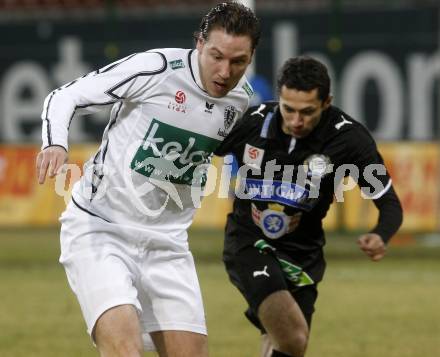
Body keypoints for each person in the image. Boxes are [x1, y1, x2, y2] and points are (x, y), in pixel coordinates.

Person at [35, 2, 260, 356]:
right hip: (101, 228)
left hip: (167, 244)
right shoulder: (156, 68)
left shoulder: (240, 98)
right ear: (199, 43)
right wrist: (55, 143)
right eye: (216, 56)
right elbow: (66, 95)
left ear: (250, 58)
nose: (224, 71)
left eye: (238, 62)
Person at [214, 56, 403, 357]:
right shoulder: (252, 124)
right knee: (293, 336)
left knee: (284, 347)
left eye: (307, 112)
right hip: (249, 243)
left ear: (326, 102)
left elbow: (390, 203)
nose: (295, 121)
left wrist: (381, 234)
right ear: (279, 99)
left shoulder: (348, 139)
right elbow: (197, 149)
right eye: (288, 109)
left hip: (303, 255)